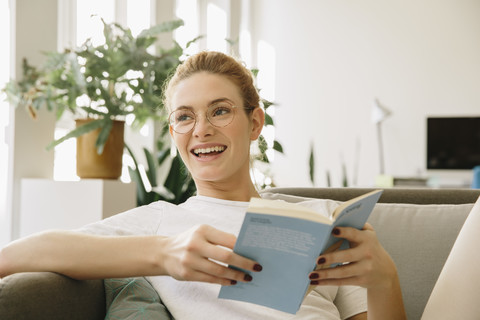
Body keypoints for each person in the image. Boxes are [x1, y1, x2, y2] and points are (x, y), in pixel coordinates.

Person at [0, 51, 405, 320]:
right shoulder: (161, 223)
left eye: (221, 111)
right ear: (174, 132)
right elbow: (21, 254)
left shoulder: (320, 219)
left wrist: (385, 279)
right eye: (184, 117)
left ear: (255, 123)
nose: (202, 130)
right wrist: (163, 254)